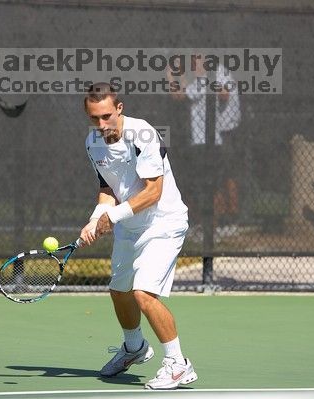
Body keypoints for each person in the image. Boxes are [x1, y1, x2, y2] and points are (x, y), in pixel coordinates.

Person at [79, 82, 197, 390]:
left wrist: (112, 217)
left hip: (163, 223)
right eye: (94, 118)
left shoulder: (142, 133)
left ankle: (177, 364)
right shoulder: (93, 142)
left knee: (143, 293)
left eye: (106, 116)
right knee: (120, 291)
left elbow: (153, 192)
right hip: (130, 228)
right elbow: (107, 189)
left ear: (119, 109)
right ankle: (134, 348)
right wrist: (95, 220)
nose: (101, 125)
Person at [167, 55, 241, 238]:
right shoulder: (203, 81)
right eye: (193, 60)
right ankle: (208, 226)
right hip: (202, 142)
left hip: (208, 142)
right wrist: (176, 75)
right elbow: (181, 94)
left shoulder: (208, 79)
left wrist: (171, 75)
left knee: (212, 185)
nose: (194, 64)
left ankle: (216, 226)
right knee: (203, 185)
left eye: (197, 60)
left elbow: (179, 95)